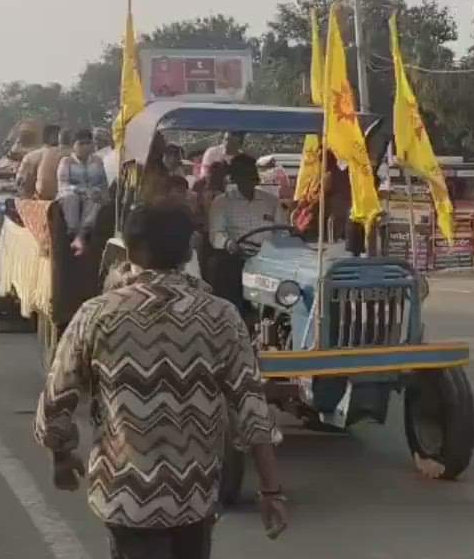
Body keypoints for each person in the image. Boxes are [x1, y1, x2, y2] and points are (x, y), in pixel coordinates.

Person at [35, 204, 288, 558]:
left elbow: (57, 398)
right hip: (194, 499)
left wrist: (61, 455)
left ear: (131, 250)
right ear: (188, 252)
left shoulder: (97, 315)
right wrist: (271, 491)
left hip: (125, 498)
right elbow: (252, 408)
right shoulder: (221, 316)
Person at [208, 155, 282, 310]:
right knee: (222, 267)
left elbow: (282, 231)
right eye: (244, 176)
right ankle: (234, 312)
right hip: (236, 256)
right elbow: (216, 234)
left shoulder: (271, 201)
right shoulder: (222, 202)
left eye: (251, 176)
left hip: (269, 257)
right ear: (235, 178)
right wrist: (228, 243)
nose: (248, 181)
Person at [56, 129, 109, 256]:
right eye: (81, 144)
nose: (85, 147)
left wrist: (98, 192)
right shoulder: (66, 161)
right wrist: (83, 191)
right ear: (73, 145)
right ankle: (73, 232)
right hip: (70, 193)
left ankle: (80, 235)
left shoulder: (97, 161)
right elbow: (63, 184)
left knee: (95, 200)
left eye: (88, 143)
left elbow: (103, 183)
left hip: (92, 194)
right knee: (71, 198)